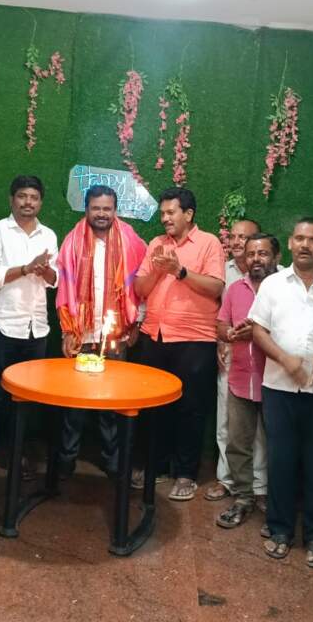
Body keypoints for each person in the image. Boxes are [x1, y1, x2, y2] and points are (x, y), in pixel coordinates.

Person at [249, 217, 313, 567]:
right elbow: (258, 330)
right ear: (290, 243)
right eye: (300, 238)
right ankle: (280, 530)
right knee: (281, 461)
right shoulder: (273, 284)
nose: (305, 244)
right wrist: (286, 360)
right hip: (278, 387)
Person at [132, 187, 225, 501]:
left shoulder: (209, 243)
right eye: (162, 213)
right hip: (155, 336)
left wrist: (180, 272)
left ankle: (186, 474)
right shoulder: (157, 244)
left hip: (195, 339)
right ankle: (155, 466)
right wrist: (159, 271)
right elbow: (141, 289)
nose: (165, 218)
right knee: (154, 407)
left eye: (171, 212)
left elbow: (215, 287)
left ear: (189, 214)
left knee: (191, 409)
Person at [55, 184, 147, 477]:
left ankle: (113, 461)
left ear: (115, 210)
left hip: (116, 335)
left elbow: (142, 284)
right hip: (80, 334)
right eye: (96, 208)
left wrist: (136, 322)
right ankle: (66, 461)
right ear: (87, 209)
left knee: (113, 402)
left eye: (107, 208)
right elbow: (64, 288)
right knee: (73, 404)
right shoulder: (72, 242)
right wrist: (67, 330)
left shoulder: (131, 241)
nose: (102, 214)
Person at [0, 175, 58, 484]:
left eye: (34, 197)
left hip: (36, 328)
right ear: (12, 199)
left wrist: (44, 270)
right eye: (22, 196)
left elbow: (55, 280)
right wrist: (26, 268)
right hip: (2, 324)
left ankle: (17, 454)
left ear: (40, 202)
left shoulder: (48, 235)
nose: (28, 202)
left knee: (25, 399)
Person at [214, 233, 280, 529]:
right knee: (238, 443)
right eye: (251, 254)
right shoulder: (235, 289)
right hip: (240, 377)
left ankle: (273, 499)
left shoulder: (285, 290)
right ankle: (243, 496)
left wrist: (261, 335)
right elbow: (221, 324)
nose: (256, 259)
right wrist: (230, 334)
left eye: (262, 253)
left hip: (276, 382)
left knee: (278, 445)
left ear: (276, 257)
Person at [206, 219, 269, 509]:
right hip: (232, 357)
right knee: (226, 423)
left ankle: (259, 486)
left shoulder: (276, 277)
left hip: (266, 363)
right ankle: (227, 479)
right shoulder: (224, 270)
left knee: (260, 431)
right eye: (233, 236)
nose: (237, 242)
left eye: (244, 237)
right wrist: (223, 340)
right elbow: (219, 315)